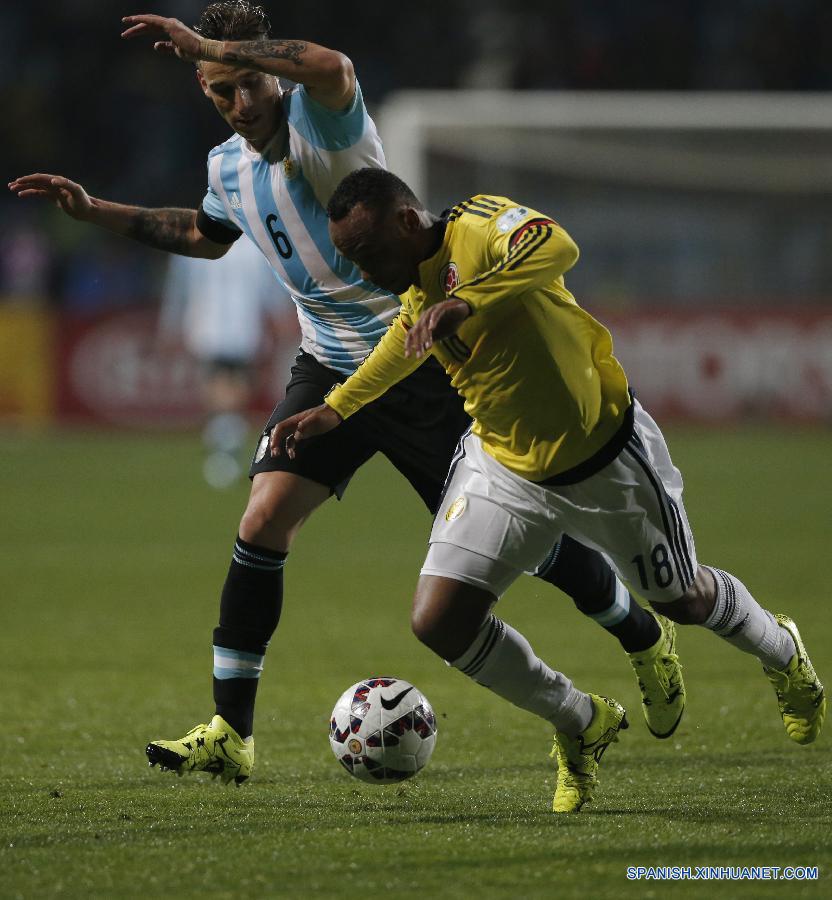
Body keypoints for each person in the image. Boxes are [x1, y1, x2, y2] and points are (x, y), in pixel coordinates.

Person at [8, 2, 683, 792]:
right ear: (205, 93)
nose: (242, 103)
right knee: (262, 519)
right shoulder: (227, 167)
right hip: (328, 367)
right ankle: (231, 730)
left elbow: (332, 67)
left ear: (268, 72)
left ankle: (641, 632)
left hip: (421, 362)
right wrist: (99, 212)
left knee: (521, 544)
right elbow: (202, 232)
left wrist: (214, 44)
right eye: (221, 91)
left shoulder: (325, 126)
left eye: (250, 83)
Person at [270, 167, 827, 813]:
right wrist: (336, 408)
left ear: (403, 221)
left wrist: (471, 301)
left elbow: (558, 245)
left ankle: (782, 651)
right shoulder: (414, 285)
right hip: (502, 466)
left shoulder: (478, 225)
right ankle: (581, 721)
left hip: (607, 460)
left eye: (368, 253)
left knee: (683, 598)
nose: (364, 271)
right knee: (440, 621)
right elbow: (407, 338)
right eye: (352, 260)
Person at [158, 236, 288, 488]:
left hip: (211, 329)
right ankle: (227, 444)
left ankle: (222, 443)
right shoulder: (255, 244)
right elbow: (270, 287)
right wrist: (279, 314)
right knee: (231, 388)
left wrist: (171, 323)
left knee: (221, 388)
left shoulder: (194, 240)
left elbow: (179, 288)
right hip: (241, 330)